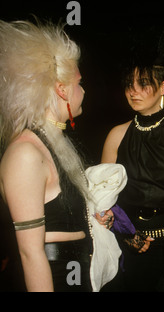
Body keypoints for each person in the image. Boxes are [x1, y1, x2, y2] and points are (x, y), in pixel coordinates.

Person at [0, 20, 112, 291]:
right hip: (53, 277)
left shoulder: (55, 143)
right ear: (62, 89)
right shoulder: (26, 152)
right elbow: (30, 253)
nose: (83, 91)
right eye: (79, 83)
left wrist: (92, 218)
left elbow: (58, 214)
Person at [101, 30, 164, 291]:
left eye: (143, 83)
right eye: (129, 83)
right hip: (129, 245)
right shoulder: (116, 135)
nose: (133, 91)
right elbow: (102, 201)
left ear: (163, 87)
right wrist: (125, 235)